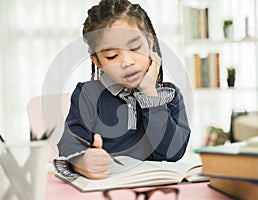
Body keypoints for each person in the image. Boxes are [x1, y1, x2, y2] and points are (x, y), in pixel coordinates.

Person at [55, 0, 191, 180]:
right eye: (112, 56)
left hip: (155, 188)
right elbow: (70, 144)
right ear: (98, 61)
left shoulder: (169, 95)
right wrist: (81, 161)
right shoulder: (87, 94)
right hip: (106, 188)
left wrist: (150, 94)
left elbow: (171, 153)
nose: (127, 62)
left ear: (150, 43)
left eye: (135, 48)